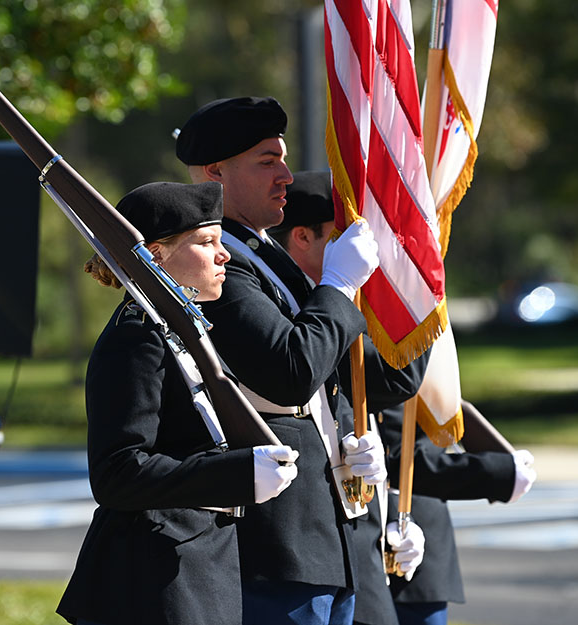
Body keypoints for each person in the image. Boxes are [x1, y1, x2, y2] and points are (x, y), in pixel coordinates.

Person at [174, 97, 429, 625]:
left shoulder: (268, 260)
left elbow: (386, 381)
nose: (286, 176)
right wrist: (336, 285)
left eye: (283, 159)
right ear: (215, 172)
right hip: (272, 540)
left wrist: (413, 289)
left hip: (323, 532)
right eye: (267, 161)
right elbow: (290, 372)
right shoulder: (220, 267)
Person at [270, 170, 538, 625]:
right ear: (302, 236)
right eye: (345, 237)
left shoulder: (348, 306)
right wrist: (494, 474)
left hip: (391, 542)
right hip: (330, 553)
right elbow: (395, 401)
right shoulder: (320, 313)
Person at [57, 181, 300, 625]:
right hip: (151, 575)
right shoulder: (136, 338)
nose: (224, 254)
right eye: (207, 242)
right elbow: (119, 473)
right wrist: (236, 473)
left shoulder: (179, 331)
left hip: (196, 561)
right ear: (156, 255)